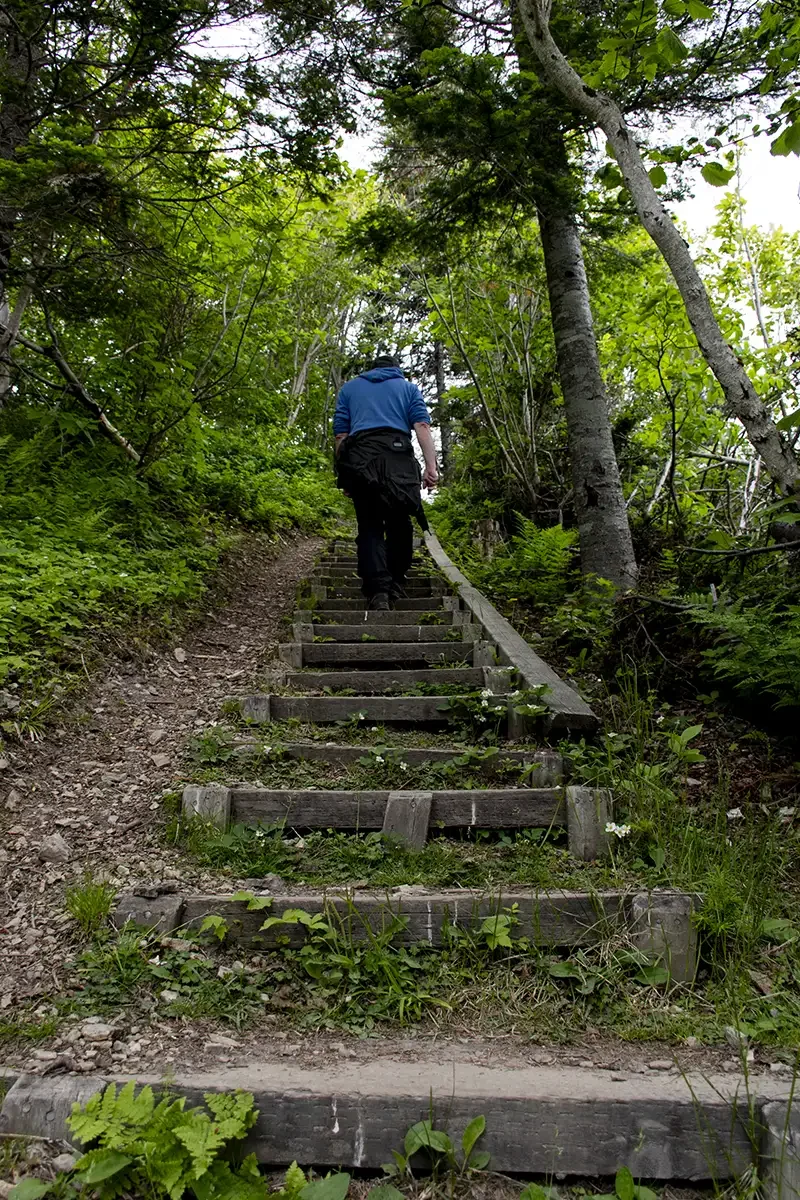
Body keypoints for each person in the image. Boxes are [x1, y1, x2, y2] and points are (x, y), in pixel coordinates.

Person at [334, 354, 439, 610]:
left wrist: (344, 475)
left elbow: (341, 436)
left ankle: (378, 590)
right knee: (400, 524)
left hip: (360, 461)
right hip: (399, 462)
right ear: (396, 370)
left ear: (372, 370)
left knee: (369, 526)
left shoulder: (349, 389)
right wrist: (431, 468)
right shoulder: (408, 388)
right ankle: (394, 581)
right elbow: (422, 427)